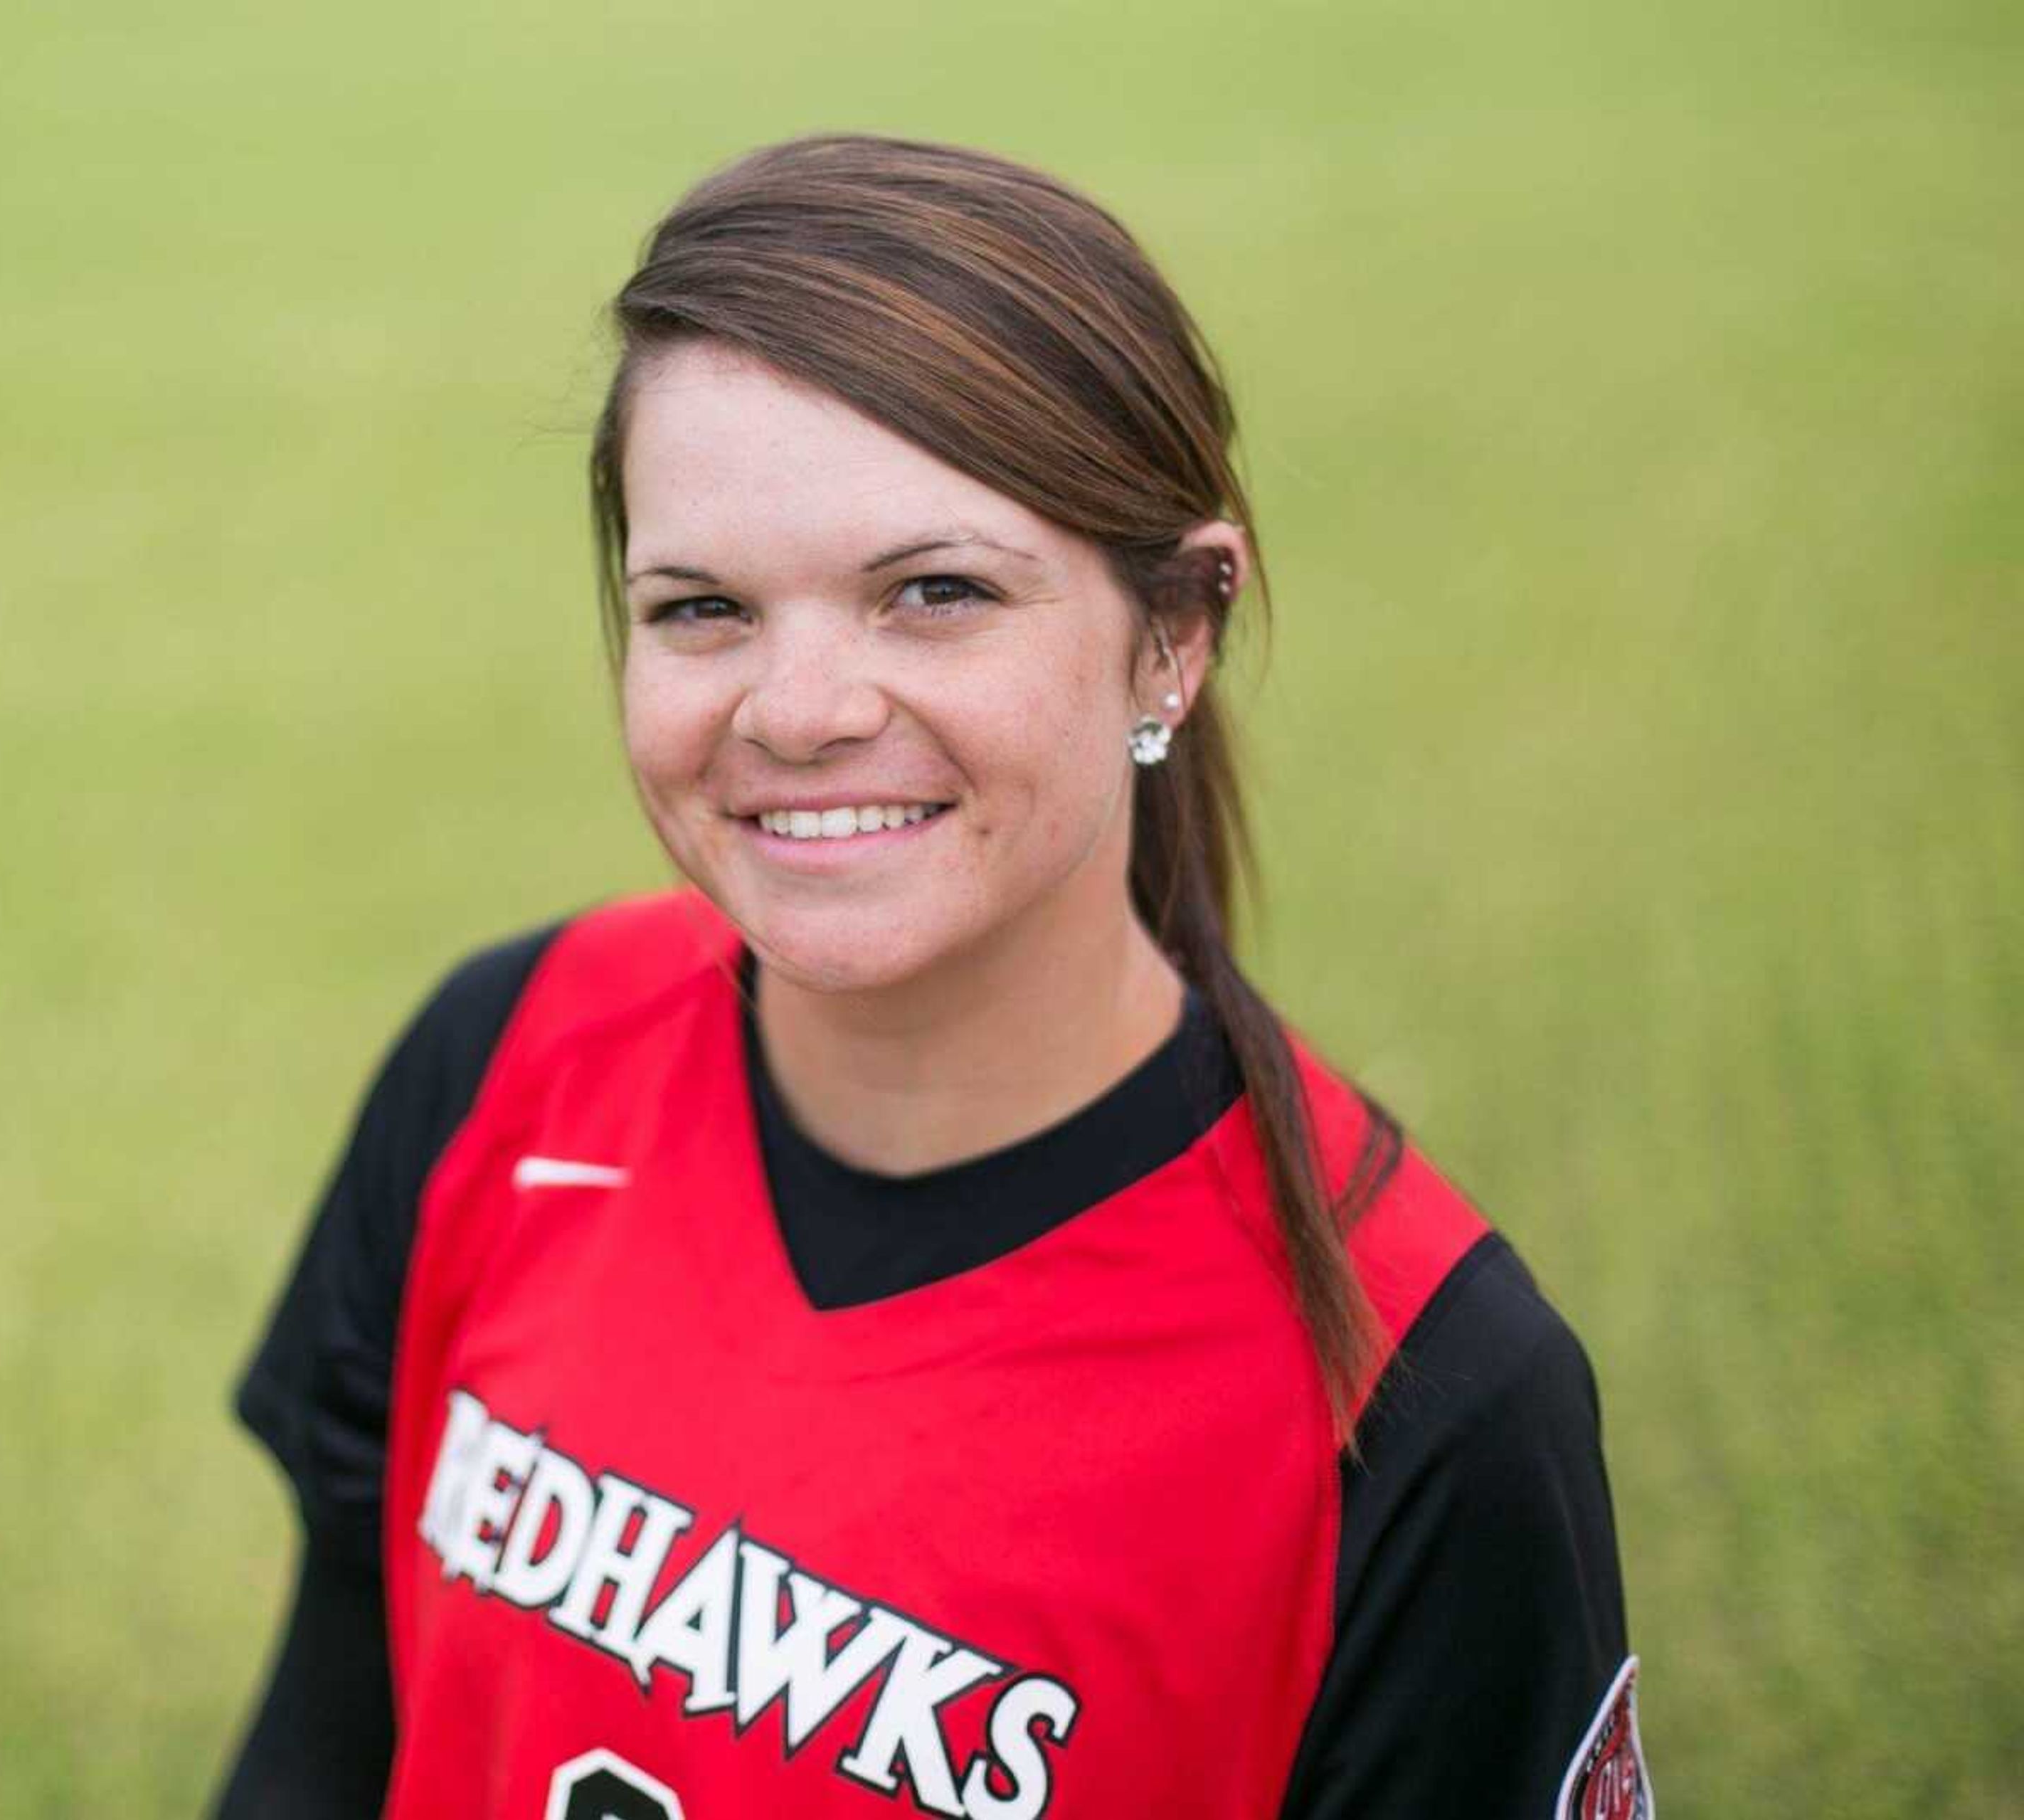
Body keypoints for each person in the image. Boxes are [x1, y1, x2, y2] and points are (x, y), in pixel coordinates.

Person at [210, 132, 1650, 1820]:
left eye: (935, 592)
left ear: (1173, 632)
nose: (799, 707)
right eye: (702, 609)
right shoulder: (506, 1057)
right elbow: (325, 1742)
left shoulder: (1429, 1400)